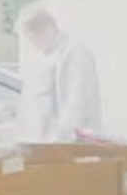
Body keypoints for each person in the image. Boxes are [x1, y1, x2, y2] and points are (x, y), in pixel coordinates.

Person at [21, 7, 103, 141]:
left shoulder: (75, 53)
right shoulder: (49, 56)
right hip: (55, 139)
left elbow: (76, 101)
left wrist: (60, 136)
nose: (35, 45)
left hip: (76, 140)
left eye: (35, 39)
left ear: (48, 29)